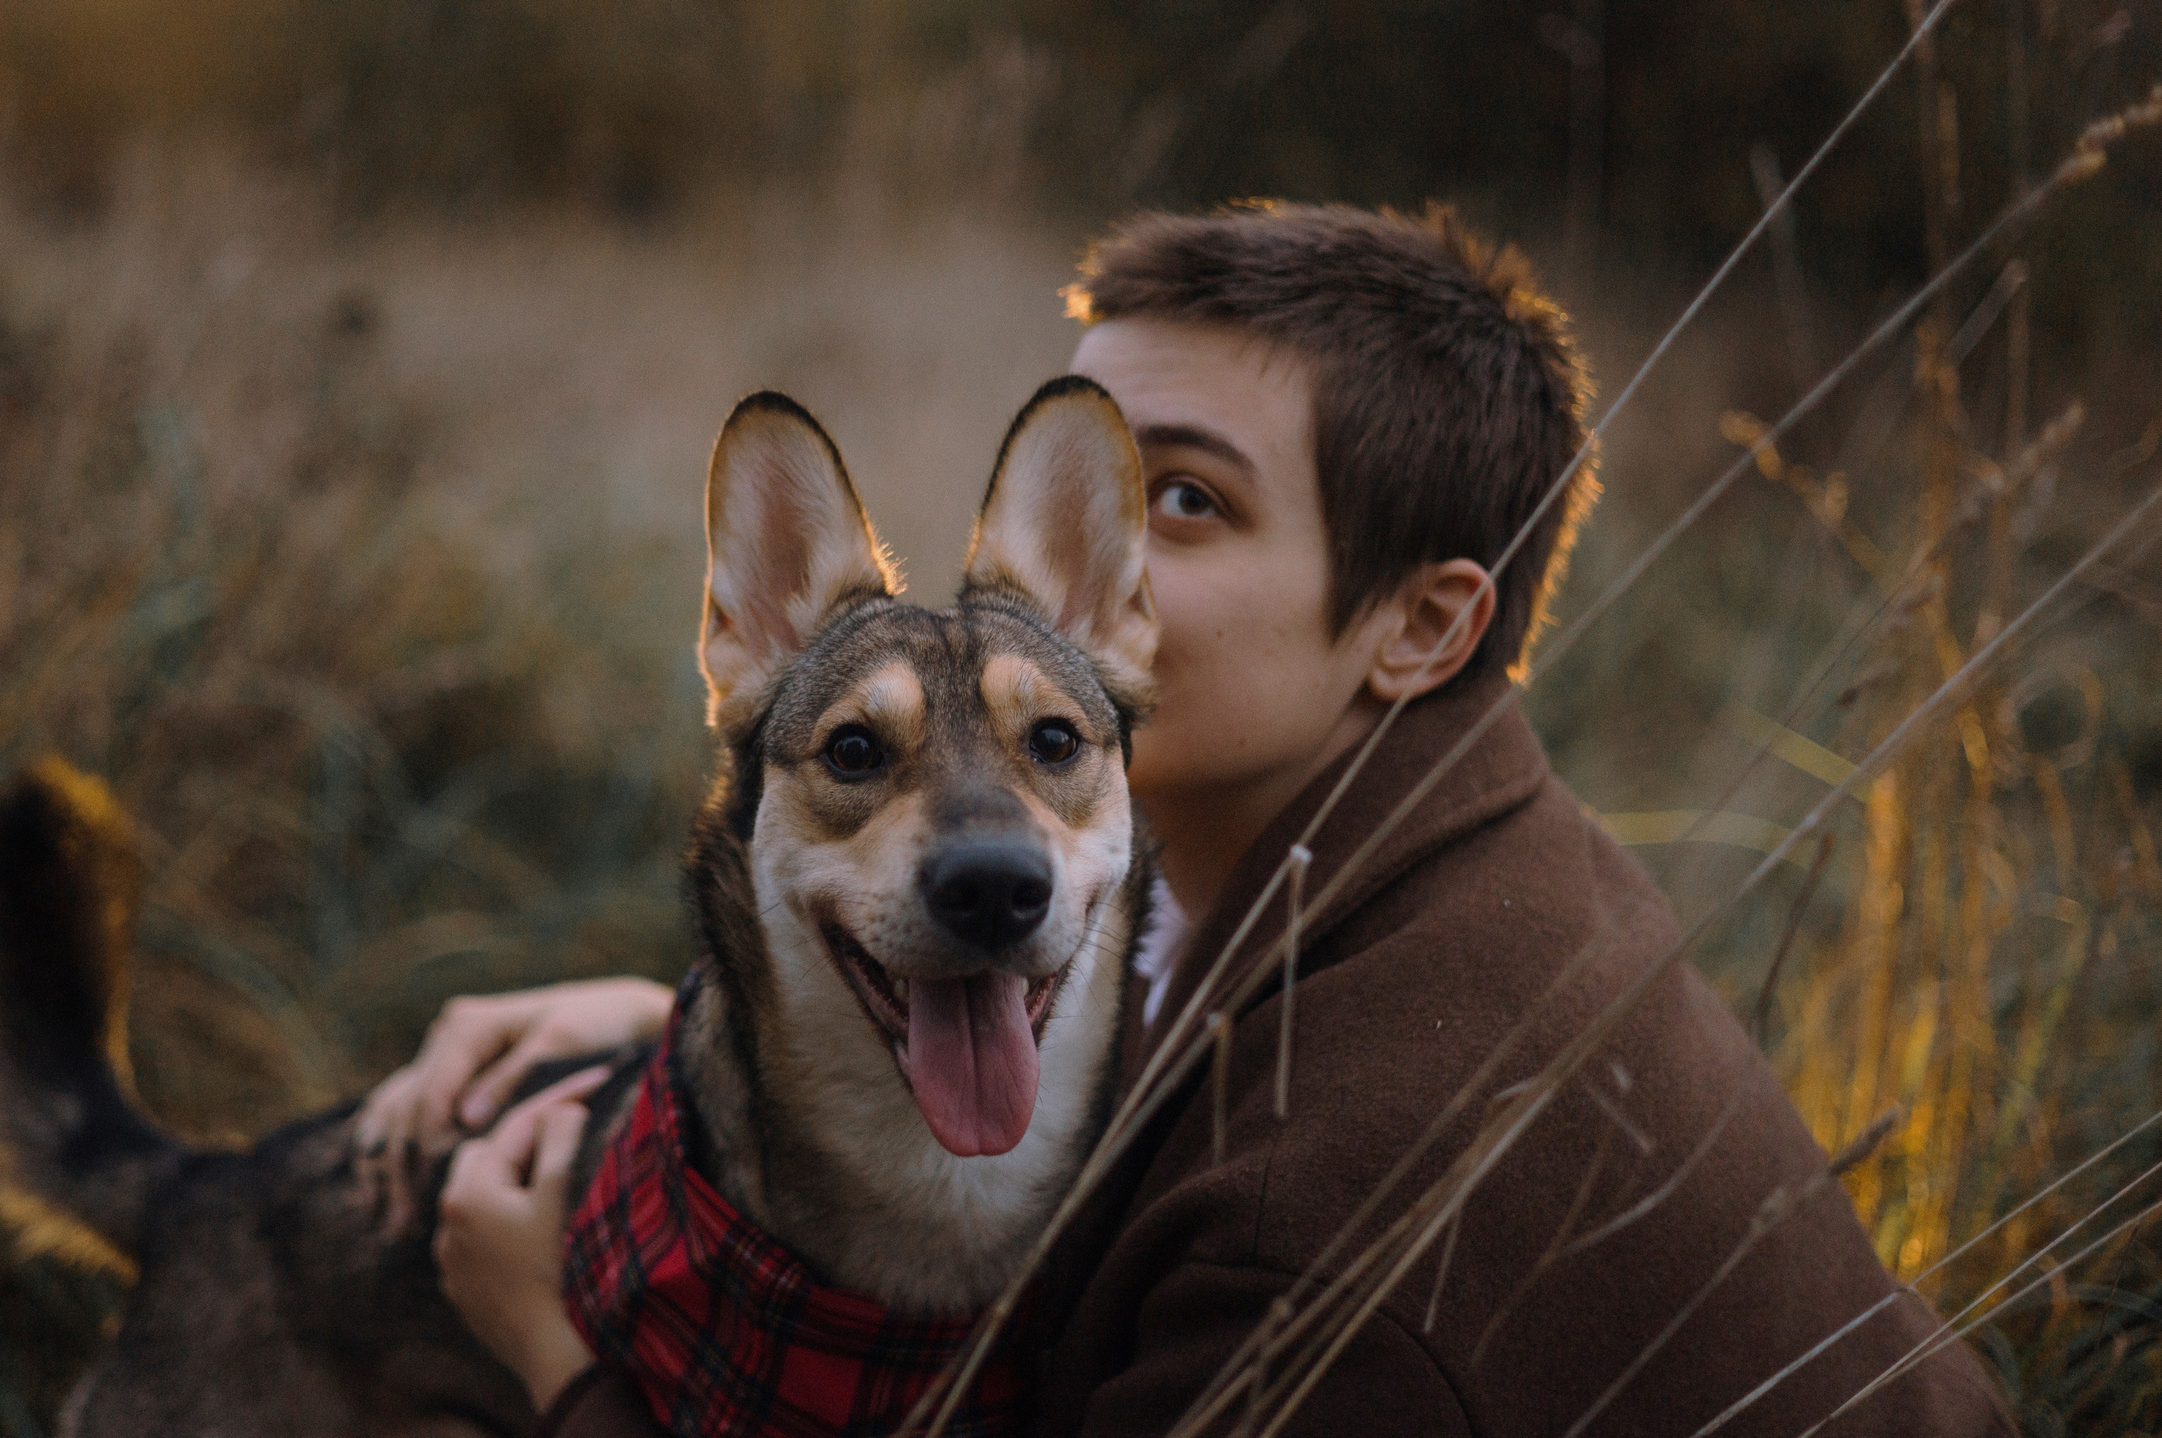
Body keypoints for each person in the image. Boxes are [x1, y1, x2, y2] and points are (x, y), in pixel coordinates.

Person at [360, 203, 2016, 1436]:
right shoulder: (1397, 852)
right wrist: (699, 1027)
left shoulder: (1320, 1237)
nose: (1079, 564)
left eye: (1178, 500)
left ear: (1422, 624)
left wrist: (549, 1357)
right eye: (1086, 478)